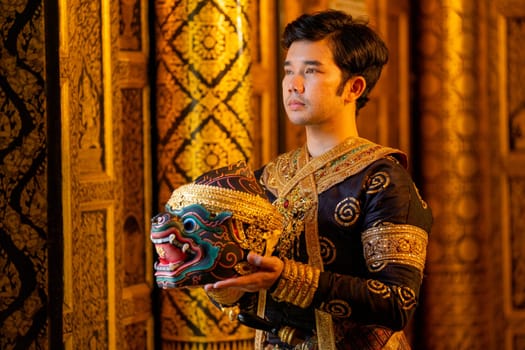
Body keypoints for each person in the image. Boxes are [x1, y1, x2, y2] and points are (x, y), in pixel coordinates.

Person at [204, 9, 432, 350]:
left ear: (353, 87)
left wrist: (286, 279)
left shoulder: (383, 179)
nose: (293, 84)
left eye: (310, 72)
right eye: (288, 71)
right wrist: (231, 288)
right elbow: (252, 298)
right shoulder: (267, 177)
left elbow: (397, 302)